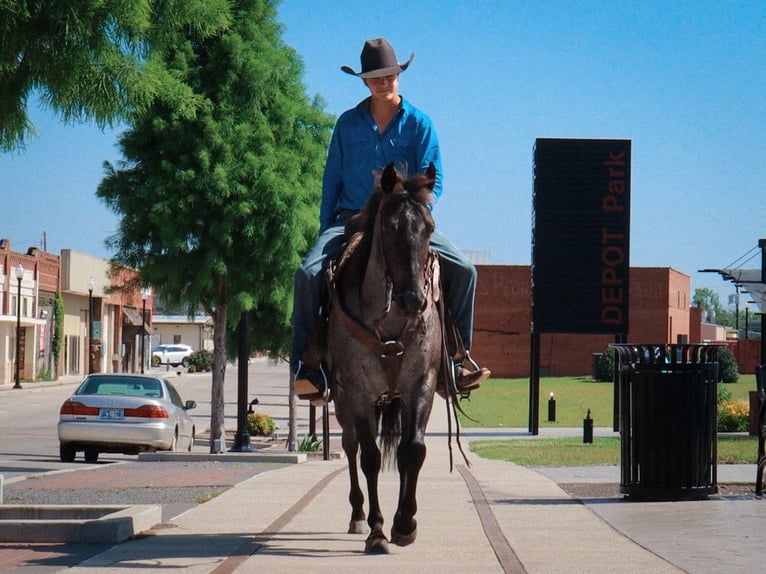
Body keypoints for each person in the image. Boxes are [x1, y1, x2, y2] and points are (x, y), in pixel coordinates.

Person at [292, 37, 490, 401]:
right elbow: (331, 181)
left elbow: (436, 181)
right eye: (377, 78)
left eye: (391, 76)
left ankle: (457, 360)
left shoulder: (419, 125)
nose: (385, 83)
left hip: (404, 220)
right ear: (365, 82)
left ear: (399, 76)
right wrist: (326, 234)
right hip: (352, 217)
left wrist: (416, 218)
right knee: (306, 274)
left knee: (465, 270)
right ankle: (308, 368)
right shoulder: (347, 125)